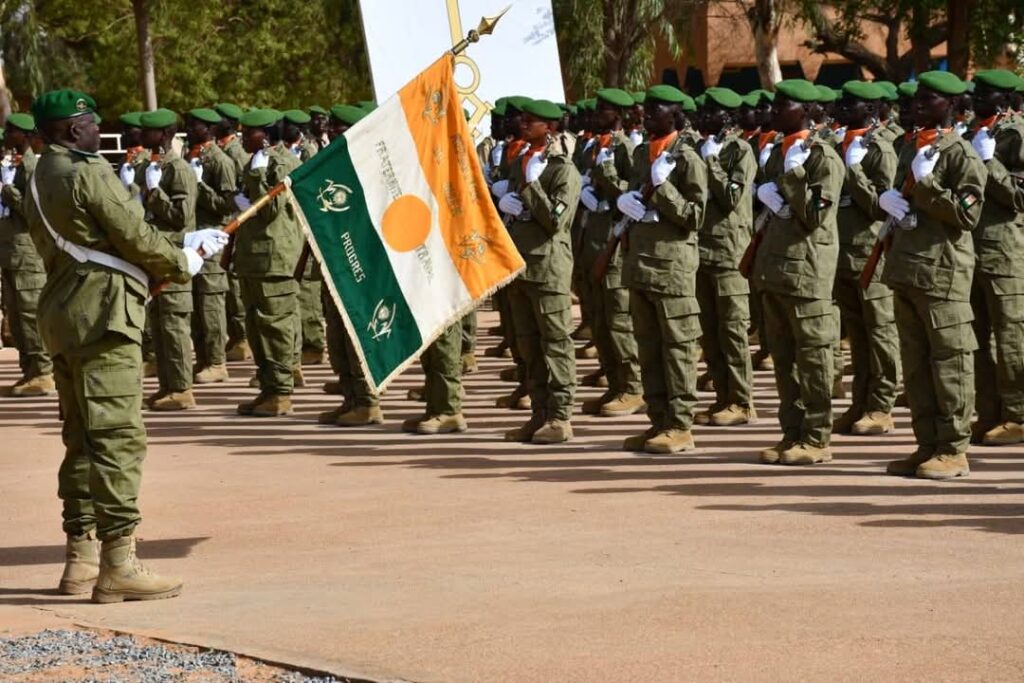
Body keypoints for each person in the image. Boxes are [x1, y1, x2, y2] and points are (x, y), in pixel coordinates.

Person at [25, 89, 228, 602]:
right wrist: (185, 259)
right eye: (92, 123)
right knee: (116, 439)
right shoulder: (86, 171)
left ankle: (81, 558)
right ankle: (119, 563)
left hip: (66, 314)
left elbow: (99, 239)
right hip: (104, 318)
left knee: (82, 439)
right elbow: (133, 235)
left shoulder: (39, 171)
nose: (100, 131)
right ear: (74, 130)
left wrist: (177, 248)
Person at [879, 71, 987, 479]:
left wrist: (927, 187)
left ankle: (953, 449)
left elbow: (967, 214)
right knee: (918, 366)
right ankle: (926, 445)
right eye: (918, 97)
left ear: (952, 107)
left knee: (950, 363)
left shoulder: (961, 154)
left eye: (929, 98)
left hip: (942, 272)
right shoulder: (911, 147)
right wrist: (886, 201)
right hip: (907, 267)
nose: (918, 104)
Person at [751, 79, 844, 466]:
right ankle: (792, 433)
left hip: (807, 272)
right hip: (776, 269)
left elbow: (814, 216)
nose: (774, 110)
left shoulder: (823, 159)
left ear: (805, 112)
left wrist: (792, 179)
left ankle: (817, 437)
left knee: (813, 359)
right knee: (785, 360)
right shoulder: (780, 152)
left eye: (783, 105)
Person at [615, 85, 706, 454]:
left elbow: (695, 216)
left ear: (675, 114)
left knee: (677, 349)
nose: (647, 115)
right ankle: (658, 421)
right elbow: (640, 194)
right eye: (646, 109)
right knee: (649, 349)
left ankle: (681, 426)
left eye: (656, 109)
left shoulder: (687, 158)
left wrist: (663, 187)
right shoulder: (642, 153)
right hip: (640, 263)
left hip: (672, 268)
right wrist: (627, 199)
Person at [497, 98, 581, 444]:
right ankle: (539, 412)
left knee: (555, 343)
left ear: (549, 128)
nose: (523, 125)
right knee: (528, 345)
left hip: (548, 268)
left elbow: (557, 222)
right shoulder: (520, 163)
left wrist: (532, 190)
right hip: (520, 266)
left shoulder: (563, 171)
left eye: (531, 122)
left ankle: (560, 418)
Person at [830, 81, 901, 436]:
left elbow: (879, 206)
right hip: (841, 252)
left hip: (869, 250)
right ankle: (859, 402)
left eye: (851, 103)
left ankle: (881, 405)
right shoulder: (838, 143)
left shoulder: (879, 150)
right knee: (857, 333)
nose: (842, 107)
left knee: (880, 331)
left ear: (872, 112)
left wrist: (854, 170)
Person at [317, 104, 385, 427]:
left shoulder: (369, 165)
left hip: (358, 257)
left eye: (338, 128)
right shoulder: (334, 163)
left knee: (356, 330)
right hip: (334, 258)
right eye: (331, 128)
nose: (331, 133)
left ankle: (368, 401)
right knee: (337, 334)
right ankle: (351, 397)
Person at [966, 69, 1024, 446]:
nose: (974, 98)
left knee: (1011, 335)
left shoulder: (1017, 135)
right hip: (969, 248)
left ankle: (1018, 415)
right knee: (977, 338)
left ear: (1002, 100)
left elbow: (1019, 197)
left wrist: (990, 164)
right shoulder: (972, 132)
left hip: (1004, 249)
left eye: (983, 94)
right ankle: (989, 413)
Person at [577, 87, 643, 418]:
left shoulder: (625, 149)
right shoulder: (595, 147)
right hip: (592, 240)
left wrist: (607, 179)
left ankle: (632, 387)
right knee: (600, 322)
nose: (596, 114)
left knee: (619, 321)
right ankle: (615, 385)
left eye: (603, 110)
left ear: (616, 115)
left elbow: (633, 196)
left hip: (613, 244)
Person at [693, 86, 758, 426]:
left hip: (729, 252)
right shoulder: (700, 148)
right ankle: (723, 397)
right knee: (710, 331)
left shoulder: (740, 151)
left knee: (732, 331)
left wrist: (711, 161)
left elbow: (731, 195)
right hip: (701, 250)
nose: (703, 118)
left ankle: (742, 401)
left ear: (727, 118)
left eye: (711, 113)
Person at [233, 108, 303, 417]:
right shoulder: (256, 161)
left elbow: (271, 209)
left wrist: (258, 176)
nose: (244, 138)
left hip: (275, 259)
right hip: (254, 257)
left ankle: (280, 393)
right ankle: (268, 388)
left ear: (266, 135)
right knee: (256, 325)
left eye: (250, 133)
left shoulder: (282, 162)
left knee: (274, 327)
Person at [140, 108, 199, 411]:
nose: (140, 135)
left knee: (174, 325)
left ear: (163, 135)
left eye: (147, 131)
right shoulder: (154, 166)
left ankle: (181, 389)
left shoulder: (178, 170)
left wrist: (154, 192)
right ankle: (167, 385)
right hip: (156, 256)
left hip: (174, 256)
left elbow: (181, 217)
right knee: (160, 325)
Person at [0, 112, 54, 396]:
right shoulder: (17, 166)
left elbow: (34, 213)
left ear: (23, 135)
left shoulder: (32, 168)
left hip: (26, 253)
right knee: (17, 317)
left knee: (30, 313)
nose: (6, 135)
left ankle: (43, 371)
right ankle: (30, 370)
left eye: (10, 131)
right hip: (10, 252)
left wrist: (9, 191)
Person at [185, 108, 238, 385]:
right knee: (195, 305)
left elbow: (224, 206)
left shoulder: (220, 161)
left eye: (196, 125)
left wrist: (198, 185)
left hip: (212, 241)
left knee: (211, 305)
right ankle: (204, 359)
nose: (190, 129)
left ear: (209, 129)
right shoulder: (191, 156)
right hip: (192, 240)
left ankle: (217, 362)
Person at [213, 102, 252, 362]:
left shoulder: (236, 153)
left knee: (234, 285)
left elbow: (244, 193)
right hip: (230, 221)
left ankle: (243, 338)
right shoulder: (225, 150)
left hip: (235, 221)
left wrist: (237, 204)